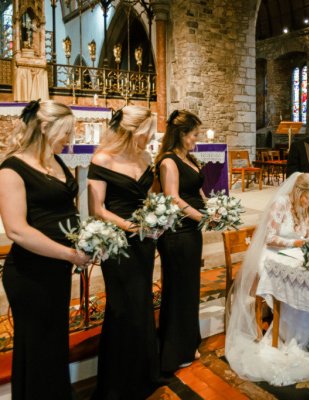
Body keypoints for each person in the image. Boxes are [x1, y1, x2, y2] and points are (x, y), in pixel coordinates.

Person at [0, 100, 90, 400]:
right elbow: (16, 230)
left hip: (57, 269)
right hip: (30, 273)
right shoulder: (12, 168)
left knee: (54, 344)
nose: (70, 140)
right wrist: (69, 254)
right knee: (37, 347)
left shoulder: (55, 160)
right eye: (66, 133)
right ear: (44, 128)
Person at [225, 172, 309, 386]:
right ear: (299, 192)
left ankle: (307, 334)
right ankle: (288, 332)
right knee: (295, 280)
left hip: (295, 255)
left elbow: (308, 234)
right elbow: (269, 238)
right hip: (271, 255)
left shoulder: (307, 206)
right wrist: (296, 244)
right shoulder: (281, 203)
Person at [87, 106, 159, 399]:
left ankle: (143, 376)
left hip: (144, 240)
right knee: (122, 307)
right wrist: (129, 226)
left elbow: (150, 196)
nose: (150, 138)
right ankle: (117, 385)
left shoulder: (145, 157)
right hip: (117, 242)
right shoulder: (103, 158)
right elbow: (97, 208)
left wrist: (156, 218)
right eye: (147, 133)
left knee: (142, 304)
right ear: (131, 131)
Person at [155, 110, 204, 373]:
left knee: (190, 289)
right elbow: (172, 198)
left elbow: (197, 189)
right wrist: (201, 217)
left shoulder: (189, 158)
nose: (196, 139)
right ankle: (174, 350)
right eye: (194, 134)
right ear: (182, 134)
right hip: (177, 233)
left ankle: (188, 342)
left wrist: (213, 209)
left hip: (192, 231)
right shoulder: (168, 162)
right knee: (178, 290)